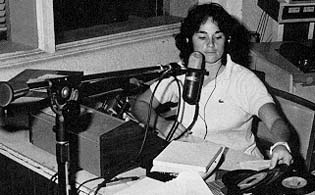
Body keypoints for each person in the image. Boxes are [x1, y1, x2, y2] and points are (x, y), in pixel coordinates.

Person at [131, 3, 293, 169]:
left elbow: (275, 121)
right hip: (190, 161)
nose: (211, 44)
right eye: (202, 37)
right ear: (189, 39)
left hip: (236, 166)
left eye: (218, 36)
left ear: (227, 39)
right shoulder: (180, 73)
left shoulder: (244, 80)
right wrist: (161, 124)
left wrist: (281, 144)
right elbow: (140, 105)